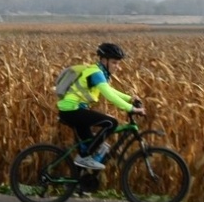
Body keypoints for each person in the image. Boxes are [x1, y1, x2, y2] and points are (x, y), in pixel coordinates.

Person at [56, 42, 143, 170]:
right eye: (114, 63)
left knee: (91, 144)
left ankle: (82, 177)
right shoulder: (95, 73)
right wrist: (131, 108)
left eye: (118, 63)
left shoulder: (98, 72)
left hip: (74, 111)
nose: (117, 67)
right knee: (111, 123)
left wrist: (129, 98)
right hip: (71, 110)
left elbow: (110, 90)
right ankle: (84, 158)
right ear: (104, 60)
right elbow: (108, 94)